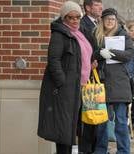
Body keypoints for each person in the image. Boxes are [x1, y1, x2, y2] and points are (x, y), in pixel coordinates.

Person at [37, 1, 94, 154]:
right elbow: (53, 60)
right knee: (64, 127)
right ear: (64, 18)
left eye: (78, 17)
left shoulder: (79, 33)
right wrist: (62, 82)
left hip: (80, 86)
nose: (75, 20)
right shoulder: (59, 34)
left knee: (74, 126)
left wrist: (90, 66)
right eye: (71, 17)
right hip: (66, 89)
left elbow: (80, 58)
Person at [93, 8, 134, 154]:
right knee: (101, 121)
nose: (110, 22)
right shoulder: (96, 35)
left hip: (119, 83)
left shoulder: (123, 35)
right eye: (107, 19)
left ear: (116, 21)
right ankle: (101, 150)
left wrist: (111, 53)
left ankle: (123, 150)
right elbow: (90, 54)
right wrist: (99, 53)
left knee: (121, 121)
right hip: (101, 83)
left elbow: (129, 54)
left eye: (112, 19)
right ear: (102, 21)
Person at [78, 1, 103, 153]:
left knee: (96, 113)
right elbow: (83, 49)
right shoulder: (82, 25)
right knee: (88, 114)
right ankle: (86, 149)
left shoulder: (99, 23)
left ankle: (94, 148)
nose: (100, 8)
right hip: (87, 75)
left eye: (101, 5)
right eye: (96, 5)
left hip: (98, 75)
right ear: (87, 8)